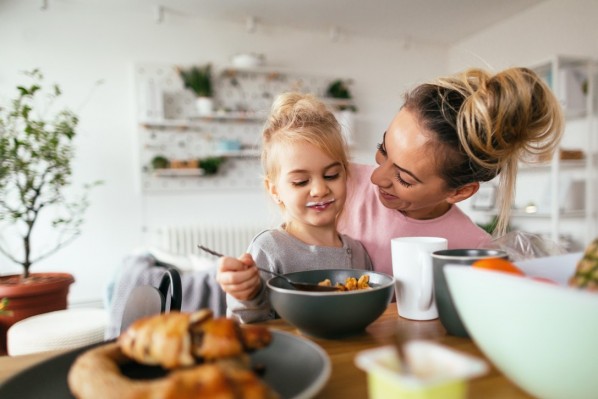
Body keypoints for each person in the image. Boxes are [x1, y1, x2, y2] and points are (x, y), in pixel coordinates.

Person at [338, 67, 564, 276]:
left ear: (460, 192)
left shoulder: (471, 250)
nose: (376, 177)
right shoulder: (334, 182)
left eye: (404, 178)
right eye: (383, 149)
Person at [216, 92, 373, 323]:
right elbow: (245, 325)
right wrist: (247, 295)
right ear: (274, 190)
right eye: (301, 181)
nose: (320, 189)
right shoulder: (269, 249)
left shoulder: (358, 252)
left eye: (331, 175)